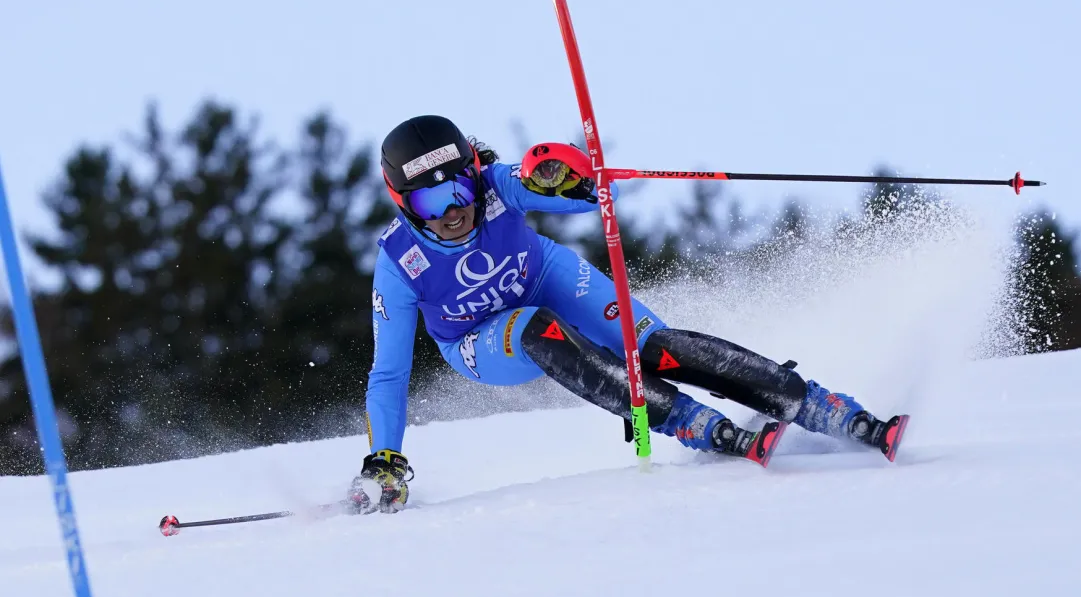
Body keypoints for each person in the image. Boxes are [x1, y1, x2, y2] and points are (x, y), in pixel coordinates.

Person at [348, 115, 908, 514]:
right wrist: (386, 458)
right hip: (481, 339)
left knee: (654, 346)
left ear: (474, 170)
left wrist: (574, 178)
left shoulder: (495, 187)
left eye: (458, 189)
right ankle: (688, 422)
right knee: (536, 330)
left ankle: (815, 403)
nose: (453, 211)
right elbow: (390, 374)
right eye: (429, 203)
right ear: (404, 205)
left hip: (544, 275)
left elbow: (572, 191)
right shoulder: (400, 264)